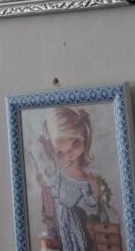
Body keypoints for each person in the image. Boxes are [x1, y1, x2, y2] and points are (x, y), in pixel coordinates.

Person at [36, 107, 101, 251]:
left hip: (75, 221)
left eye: (75, 144)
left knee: (80, 243)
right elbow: (51, 192)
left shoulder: (87, 180)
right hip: (61, 220)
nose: (69, 155)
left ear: (84, 138)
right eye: (61, 153)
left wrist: (95, 190)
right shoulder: (59, 176)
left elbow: (92, 204)